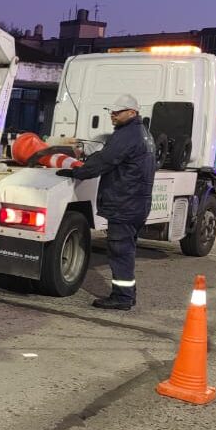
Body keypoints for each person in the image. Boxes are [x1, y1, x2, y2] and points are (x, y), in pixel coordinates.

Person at [56, 94, 156, 310]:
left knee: (120, 250)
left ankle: (122, 298)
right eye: (111, 111)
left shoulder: (128, 134)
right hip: (136, 202)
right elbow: (108, 155)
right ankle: (128, 294)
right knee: (126, 249)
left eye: (117, 112)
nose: (113, 115)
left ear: (132, 112)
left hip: (125, 203)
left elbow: (106, 160)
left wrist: (80, 172)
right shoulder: (142, 133)